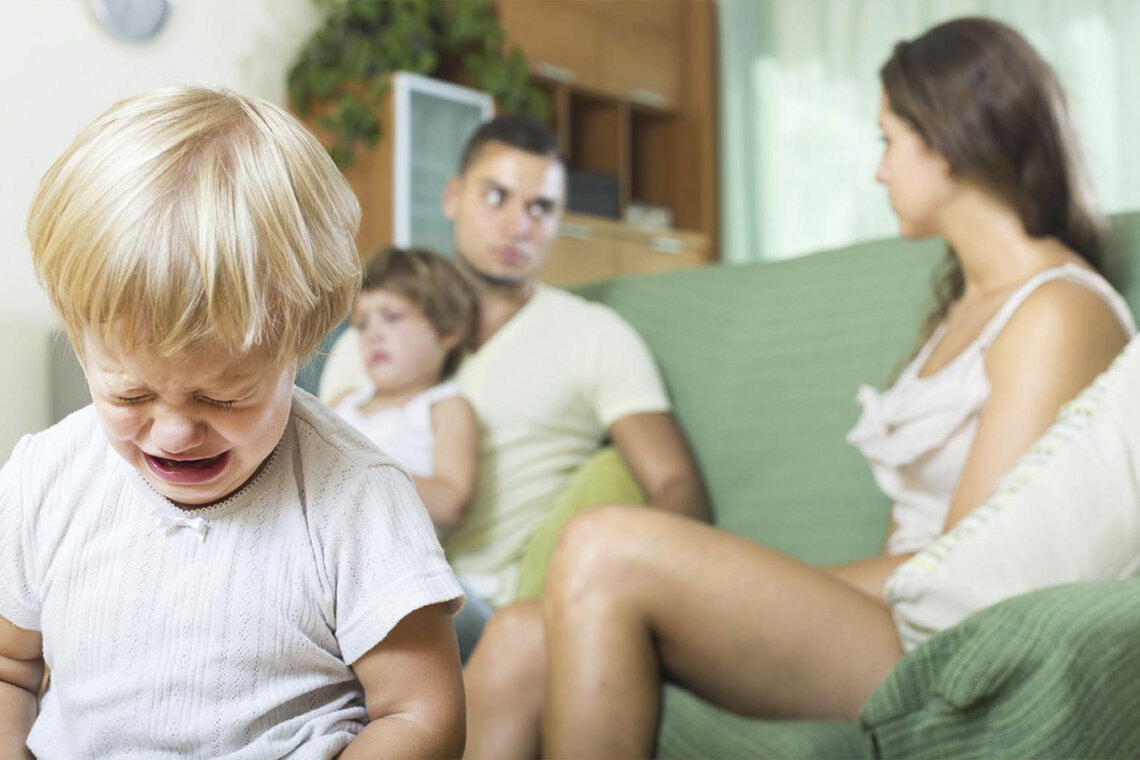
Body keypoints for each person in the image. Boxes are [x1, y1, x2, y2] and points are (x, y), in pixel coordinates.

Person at [521, 17, 1136, 758]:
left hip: (943, 644)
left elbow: (967, 569)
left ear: (949, 141)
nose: (880, 172)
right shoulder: (961, 308)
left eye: (888, 142)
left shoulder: (1056, 311)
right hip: (890, 617)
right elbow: (905, 537)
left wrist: (756, 586)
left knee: (602, 543)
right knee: (523, 630)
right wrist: (752, 587)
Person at [0, 86, 466, 759]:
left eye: (222, 398)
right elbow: (9, 667)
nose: (173, 434)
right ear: (80, 343)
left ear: (300, 344)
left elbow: (421, 714)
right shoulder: (45, 478)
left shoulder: (357, 498)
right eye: (131, 394)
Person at [315, 114, 710, 748]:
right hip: (350, 592)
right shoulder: (372, 337)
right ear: (453, 197)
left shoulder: (595, 336)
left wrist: (642, 598)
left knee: (514, 633)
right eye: (496, 196)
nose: (517, 225)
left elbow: (675, 483)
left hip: (481, 609)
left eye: (540, 208)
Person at [331, 246, 480, 531]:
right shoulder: (344, 402)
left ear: (447, 330)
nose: (373, 334)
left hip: (394, 552)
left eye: (392, 316)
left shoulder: (445, 407)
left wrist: (362, 478)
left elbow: (452, 503)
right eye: (362, 324)